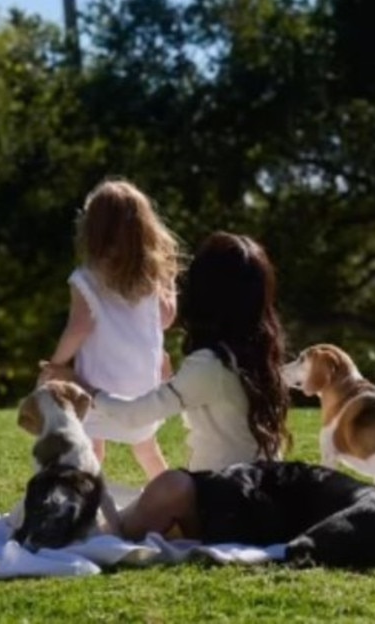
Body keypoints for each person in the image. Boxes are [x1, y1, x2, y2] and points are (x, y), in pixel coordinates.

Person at [42, 231, 292, 540]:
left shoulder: (211, 364)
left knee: (168, 487)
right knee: (164, 487)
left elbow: (134, 415)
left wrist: (82, 386)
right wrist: (173, 383)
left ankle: (104, 532)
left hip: (225, 506)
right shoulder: (261, 356)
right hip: (263, 500)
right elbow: (218, 405)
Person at [43, 179, 180, 480]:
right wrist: (168, 284)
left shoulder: (85, 278)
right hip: (143, 385)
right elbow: (166, 319)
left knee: (92, 449)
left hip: (97, 385)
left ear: (93, 229)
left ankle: (84, 503)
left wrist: (56, 364)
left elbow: (80, 327)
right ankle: (178, 504)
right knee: (147, 448)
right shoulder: (151, 276)